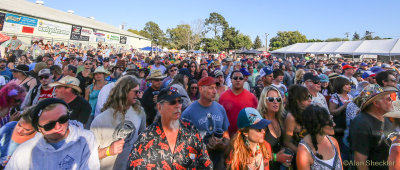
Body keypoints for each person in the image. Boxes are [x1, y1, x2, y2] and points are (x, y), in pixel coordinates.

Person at [128, 87, 213, 169]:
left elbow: (206, 163)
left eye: (180, 101)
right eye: (172, 102)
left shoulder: (191, 130)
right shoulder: (146, 138)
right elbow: (134, 166)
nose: (178, 105)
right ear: (159, 107)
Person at [5, 98, 100, 169]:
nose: (58, 127)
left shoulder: (85, 138)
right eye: (49, 125)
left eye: (63, 119)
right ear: (39, 129)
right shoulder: (26, 151)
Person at [90, 75, 146, 170]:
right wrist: (109, 151)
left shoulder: (139, 112)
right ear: (124, 92)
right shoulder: (100, 120)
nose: (138, 94)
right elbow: (90, 156)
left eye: (139, 91)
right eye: (136, 92)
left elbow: (142, 138)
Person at [182, 76, 230, 169]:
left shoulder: (220, 109)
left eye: (215, 88)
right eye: (211, 88)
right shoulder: (188, 113)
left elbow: (226, 135)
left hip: (218, 162)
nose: (215, 91)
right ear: (200, 89)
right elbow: (183, 144)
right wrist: (205, 148)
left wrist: (223, 145)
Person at [350, 84, 397, 170]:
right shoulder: (361, 123)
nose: (391, 100)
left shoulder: (385, 118)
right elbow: (360, 161)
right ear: (376, 103)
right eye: (387, 98)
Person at [258, 86, 294, 169]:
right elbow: (252, 153)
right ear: (264, 101)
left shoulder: (282, 119)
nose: (275, 102)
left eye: (278, 99)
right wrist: (275, 157)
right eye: (271, 99)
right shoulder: (259, 123)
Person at [297, 105, 343, 170]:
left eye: (331, 119)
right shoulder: (303, 150)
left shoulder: (333, 142)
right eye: (329, 122)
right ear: (318, 126)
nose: (334, 124)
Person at [219, 70, 258, 137]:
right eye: (235, 78)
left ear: (244, 80)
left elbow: (256, 119)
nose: (238, 80)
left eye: (240, 78)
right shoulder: (223, 97)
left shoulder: (251, 97)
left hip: (246, 137)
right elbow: (220, 119)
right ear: (231, 80)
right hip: (228, 137)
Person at [284, 85, 312, 153]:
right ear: (297, 101)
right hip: (301, 155)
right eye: (306, 98)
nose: (310, 100)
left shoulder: (309, 111)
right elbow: (287, 142)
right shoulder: (291, 117)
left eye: (310, 96)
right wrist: (303, 154)